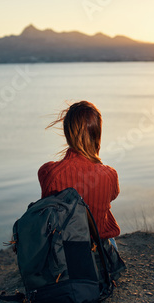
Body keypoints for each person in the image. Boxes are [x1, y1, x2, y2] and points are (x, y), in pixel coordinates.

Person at [38, 101, 126, 281]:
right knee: (109, 239)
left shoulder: (48, 172)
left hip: (64, 259)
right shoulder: (109, 175)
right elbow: (113, 195)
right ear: (97, 134)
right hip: (101, 259)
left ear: (67, 133)